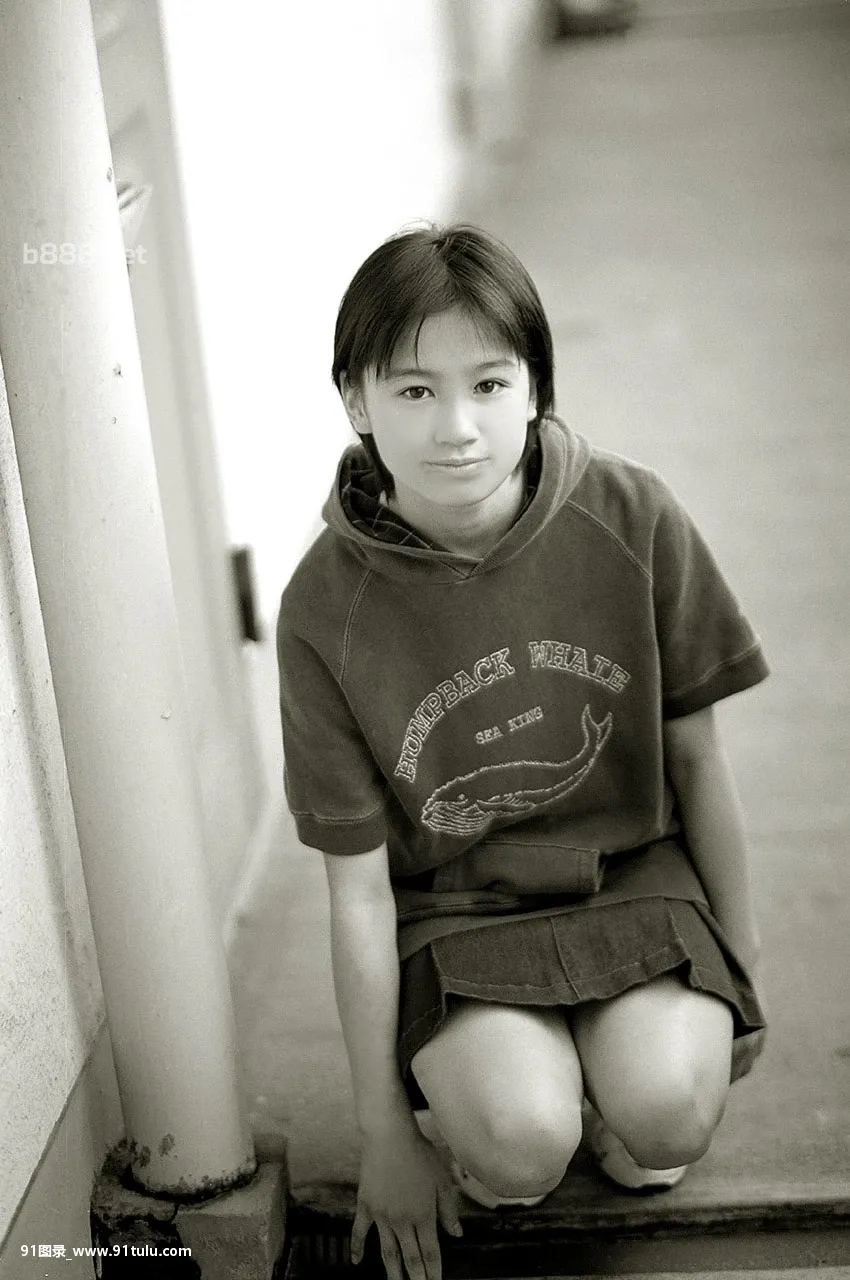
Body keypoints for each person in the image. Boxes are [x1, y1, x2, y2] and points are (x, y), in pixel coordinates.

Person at [276, 223, 768, 1280]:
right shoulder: (326, 607)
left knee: (667, 1121)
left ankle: (617, 1088)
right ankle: (516, 1096)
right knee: (518, 1147)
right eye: (414, 391)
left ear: (535, 386)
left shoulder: (631, 515)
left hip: (633, 878)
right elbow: (357, 891)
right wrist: (383, 1131)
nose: (456, 428)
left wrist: (741, 967)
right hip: (455, 915)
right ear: (355, 400)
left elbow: (698, 764)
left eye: (489, 384)